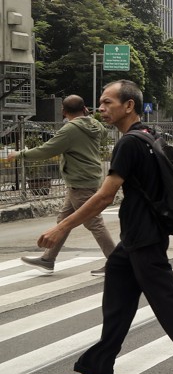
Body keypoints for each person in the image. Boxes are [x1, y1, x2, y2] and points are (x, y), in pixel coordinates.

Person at [37, 80, 173, 374]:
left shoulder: (130, 143)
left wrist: (61, 227)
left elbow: (104, 196)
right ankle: (97, 369)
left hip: (143, 237)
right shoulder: (151, 135)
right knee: (117, 301)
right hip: (135, 238)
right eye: (100, 103)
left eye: (107, 102)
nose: (101, 108)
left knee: (168, 304)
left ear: (128, 105)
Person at [15, 95, 115, 276]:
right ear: (84, 108)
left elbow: (46, 150)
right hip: (87, 178)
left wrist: (20, 154)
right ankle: (48, 259)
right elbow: (105, 135)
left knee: (94, 223)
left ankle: (116, 263)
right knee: (64, 222)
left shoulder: (70, 129)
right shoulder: (95, 124)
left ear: (63, 111)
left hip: (80, 181)